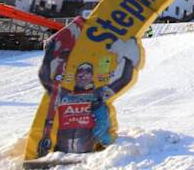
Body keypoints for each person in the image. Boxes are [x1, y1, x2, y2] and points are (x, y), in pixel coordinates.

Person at [38, 24, 140, 155]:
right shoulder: (63, 94)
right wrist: (49, 55)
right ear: (75, 76)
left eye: (87, 71)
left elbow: (124, 79)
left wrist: (129, 59)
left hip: (87, 152)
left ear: (92, 76)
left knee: (102, 121)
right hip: (61, 152)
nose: (83, 74)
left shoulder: (99, 93)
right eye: (80, 71)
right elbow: (45, 78)